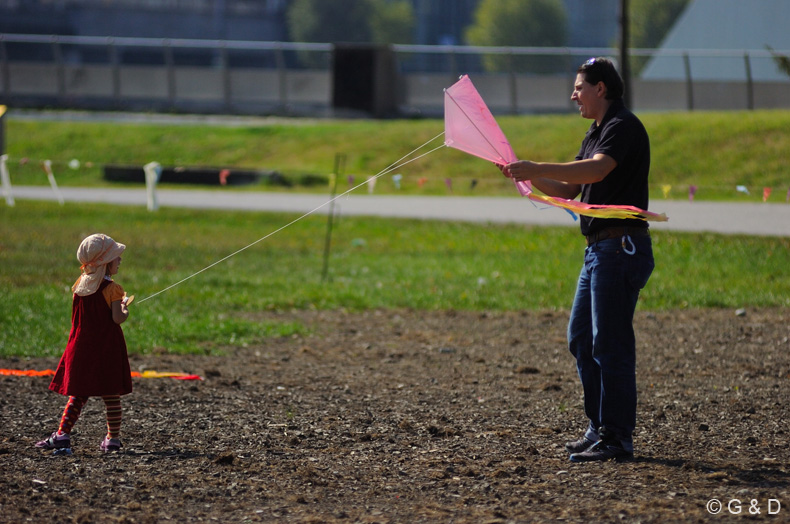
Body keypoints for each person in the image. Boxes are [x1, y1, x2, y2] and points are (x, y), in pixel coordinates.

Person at [501, 57, 654, 462]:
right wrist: (525, 174)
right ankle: (600, 426)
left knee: (611, 344)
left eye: (579, 87)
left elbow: (598, 171)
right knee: (582, 340)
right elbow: (569, 187)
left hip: (620, 249)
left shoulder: (623, 126)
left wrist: (537, 165)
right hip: (598, 251)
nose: (573, 95)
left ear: (600, 88)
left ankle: (618, 438)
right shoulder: (595, 132)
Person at [35, 233, 133, 454]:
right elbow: (118, 318)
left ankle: (62, 435)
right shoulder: (113, 289)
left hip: (82, 348)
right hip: (107, 349)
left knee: (78, 395)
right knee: (111, 395)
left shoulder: (79, 285)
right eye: (116, 257)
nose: (120, 260)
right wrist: (125, 306)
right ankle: (113, 440)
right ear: (106, 262)